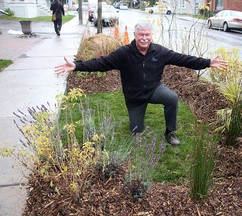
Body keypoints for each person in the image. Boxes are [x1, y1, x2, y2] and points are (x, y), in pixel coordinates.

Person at [55, 22, 227, 146]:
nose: (144, 38)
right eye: (141, 35)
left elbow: (183, 59)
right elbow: (101, 63)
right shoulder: (123, 53)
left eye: (147, 35)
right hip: (134, 96)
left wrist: (207, 62)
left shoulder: (160, 52)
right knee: (136, 130)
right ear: (135, 36)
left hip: (153, 89)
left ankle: (170, 132)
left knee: (172, 98)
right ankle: (138, 120)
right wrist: (77, 66)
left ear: (151, 36)